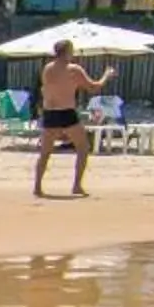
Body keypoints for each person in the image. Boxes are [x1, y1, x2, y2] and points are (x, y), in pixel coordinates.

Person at [33, 40, 113, 198]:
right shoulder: (74, 69)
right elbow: (93, 87)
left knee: (45, 152)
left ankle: (37, 186)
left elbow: (47, 89)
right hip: (66, 112)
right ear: (68, 51)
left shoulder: (47, 68)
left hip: (50, 112)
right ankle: (76, 185)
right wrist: (106, 75)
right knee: (83, 148)